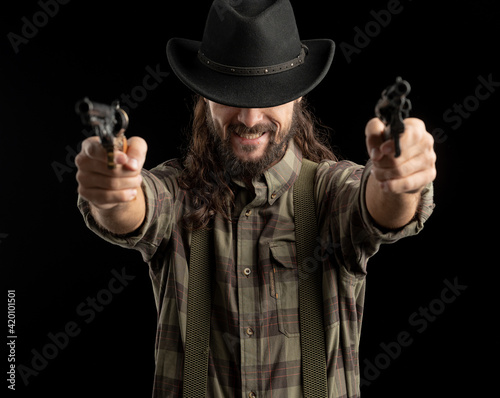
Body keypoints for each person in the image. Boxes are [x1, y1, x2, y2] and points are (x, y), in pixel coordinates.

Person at [75, 0, 436, 396]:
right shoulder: (177, 192)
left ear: (299, 96)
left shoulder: (331, 193)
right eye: (231, 94)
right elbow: (136, 207)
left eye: (269, 93)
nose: (249, 118)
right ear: (204, 97)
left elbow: (380, 209)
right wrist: (113, 191)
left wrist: (399, 181)